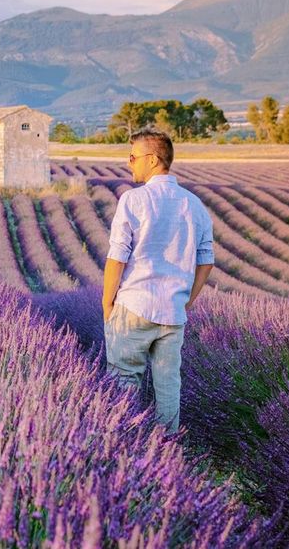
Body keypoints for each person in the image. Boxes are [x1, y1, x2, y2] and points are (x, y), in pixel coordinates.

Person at [102, 129, 214, 432]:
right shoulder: (194, 205)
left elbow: (117, 257)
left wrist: (107, 303)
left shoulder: (133, 199)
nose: (129, 163)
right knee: (168, 387)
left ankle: (121, 445)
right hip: (173, 312)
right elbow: (206, 260)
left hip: (134, 305)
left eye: (133, 157)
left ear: (152, 159)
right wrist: (186, 300)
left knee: (123, 380)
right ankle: (167, 454)